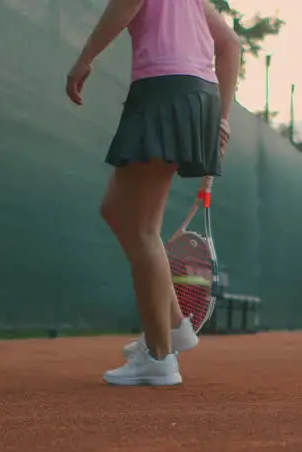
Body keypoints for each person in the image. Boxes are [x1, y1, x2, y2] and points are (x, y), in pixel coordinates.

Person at [67, 0, 242, 387]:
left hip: (165, 91)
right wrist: (222, 116)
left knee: (143, 228)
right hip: (197, 95)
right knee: (115, 209)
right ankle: (176, 326)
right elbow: (230, 43)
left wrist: (85, 58)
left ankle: (159, 356)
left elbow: (126, 4)